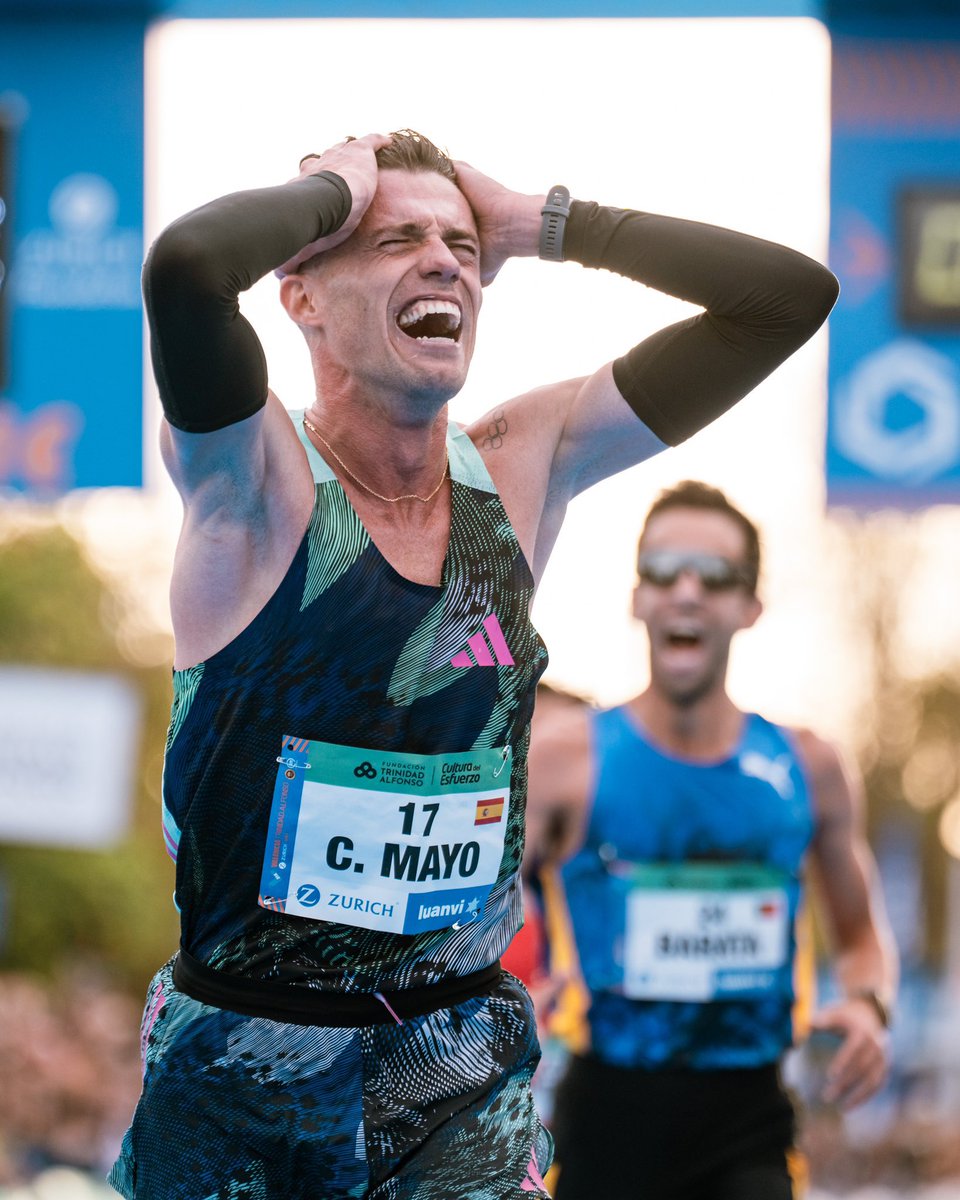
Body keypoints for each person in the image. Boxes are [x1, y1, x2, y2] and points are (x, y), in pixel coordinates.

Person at [109, 130, 839, 1200]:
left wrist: (550, 224)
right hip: (243, 1063)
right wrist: (335, 189)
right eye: (395, 240)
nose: (443, 262)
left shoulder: (522, 463)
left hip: (453, 1067)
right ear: (301, 296)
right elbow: (187, 268)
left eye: (460, 243)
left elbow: (784, 301)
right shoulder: (252, 479)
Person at [526, 480, 899, 1200]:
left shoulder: (808, 767)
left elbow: (859, 937)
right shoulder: (567, 760)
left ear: (750, 607)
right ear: (637, 598)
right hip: (605, 1119)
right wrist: (513, 995)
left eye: (715, 575)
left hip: (748, 1123)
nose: (687, 591)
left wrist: (868, 1006)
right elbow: (471, 915)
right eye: (664, 570)